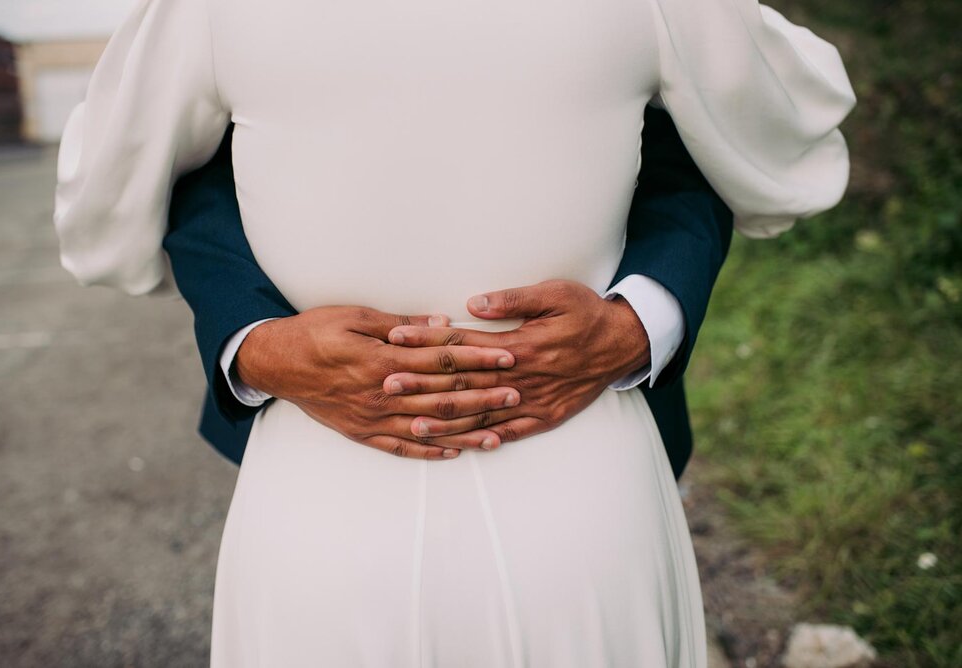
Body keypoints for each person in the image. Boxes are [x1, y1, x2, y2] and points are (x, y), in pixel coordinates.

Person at [53, 0, 854, 665]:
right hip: (347, 481)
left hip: (554, 476)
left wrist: (642, 318)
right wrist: (255, 339)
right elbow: (788, 129)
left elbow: (103, 210)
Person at [163, 107, 731, 478]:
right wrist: (260, 346)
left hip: (596, 418)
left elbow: (698, 139)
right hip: (312, 425)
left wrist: (637, 324)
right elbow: (191, 163)